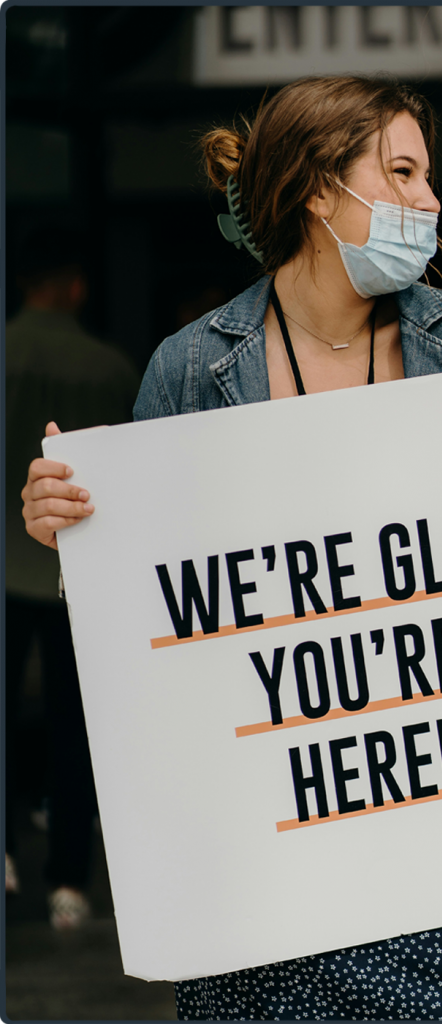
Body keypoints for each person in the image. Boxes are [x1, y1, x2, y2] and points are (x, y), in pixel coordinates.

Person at [20, 76, 442, 1020]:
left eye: (427, 176)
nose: (429, 203)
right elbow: (159, 631)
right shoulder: (193, 367)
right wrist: (76, 534)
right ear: (320, 189)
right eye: (400, 173)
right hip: (268, 868)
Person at [6, 227, 140, 928]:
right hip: (78, 574)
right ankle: (69, 885)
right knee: (74, 731)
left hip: (4, 564)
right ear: (75, 287)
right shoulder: (108, 366)